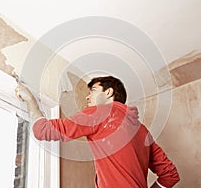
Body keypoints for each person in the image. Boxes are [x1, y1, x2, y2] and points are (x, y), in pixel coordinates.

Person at [15, 76, 180, 188]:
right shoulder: (142, 130)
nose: (87, 97)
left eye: (93, 91)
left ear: (108, 92)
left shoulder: (101, 113)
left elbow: (43, 130)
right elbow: (170, 175)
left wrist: (30, 101)